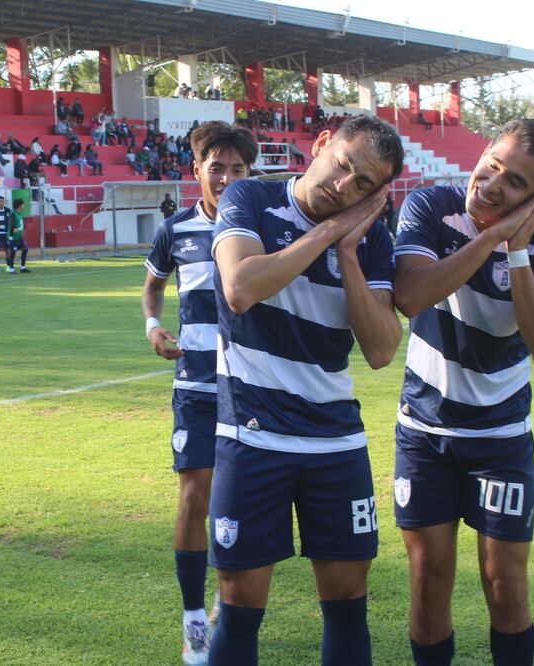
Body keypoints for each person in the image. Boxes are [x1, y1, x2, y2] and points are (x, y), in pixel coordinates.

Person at [207, 115, 404, 664]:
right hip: (252, 437)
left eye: (363, 185)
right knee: (240, 605)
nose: (344, 186)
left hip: (336, 443)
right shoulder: (251, 197)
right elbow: (240, 287)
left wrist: (349, 254)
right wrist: (328, 234)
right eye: (343, 165)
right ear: (321, 144)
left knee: (347, 604)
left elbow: (382, 348)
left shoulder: (372, 241)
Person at [391, 119, 534, 666]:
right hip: (424, 432)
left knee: (505, 585)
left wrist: (517, 252)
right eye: (491, 165)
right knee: (428, 581)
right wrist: (492, 237)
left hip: (500, 437)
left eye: (515, 182)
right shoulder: (431, 207)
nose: (491, 185)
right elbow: (411, 295)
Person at [142, 121, 258, 665]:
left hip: (254, 386)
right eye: (217, 168)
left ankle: (228, 602)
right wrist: (152, 326)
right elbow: (153, 285)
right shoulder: (176, 229)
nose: (227, 178)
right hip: (196, 385)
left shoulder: (262, 227)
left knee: (242, 504)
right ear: (197, 171)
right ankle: (193, 620)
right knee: (195, 497)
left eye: (238, 169)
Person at [7, 198, 30, 273]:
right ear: (19, 206)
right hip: (13, 238)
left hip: (19, 237)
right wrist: (13, 231)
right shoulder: (13, 214)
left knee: (25, 249)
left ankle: (23, 267)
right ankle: (11, 269)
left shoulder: (20, 214)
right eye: (23, 204)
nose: (24, 206)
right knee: (13, 253)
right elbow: (11, 225)